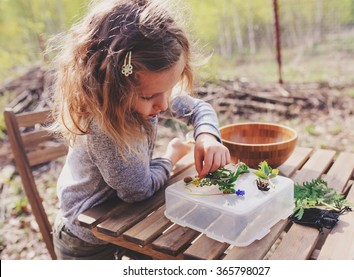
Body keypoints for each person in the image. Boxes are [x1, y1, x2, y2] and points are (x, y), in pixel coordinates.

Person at [49, 0, 230, 259]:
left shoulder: (147, 90)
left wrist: (207, 136)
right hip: (88, 239)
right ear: (112, 88)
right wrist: (171, 157)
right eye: (150, 97)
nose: (165, 103)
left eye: (169, 89)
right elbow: (138, 190)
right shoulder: (102, 128)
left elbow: (199, 108)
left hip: (126, 220)